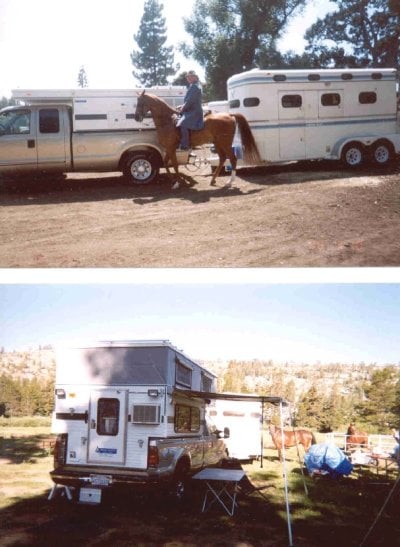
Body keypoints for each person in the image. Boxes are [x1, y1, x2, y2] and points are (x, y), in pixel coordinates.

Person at [176, 70, 204, 150]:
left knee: (182, 123)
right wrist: (182, 106)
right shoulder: (195, 85)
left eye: (190, 77)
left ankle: (185, 145)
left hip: (194, 111)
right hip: (192, 109)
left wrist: (183, 108)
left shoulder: (195, 86)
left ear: (195, 77)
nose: (188, 78)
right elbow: (190, 100)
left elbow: (190, 101)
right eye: (187, 77)